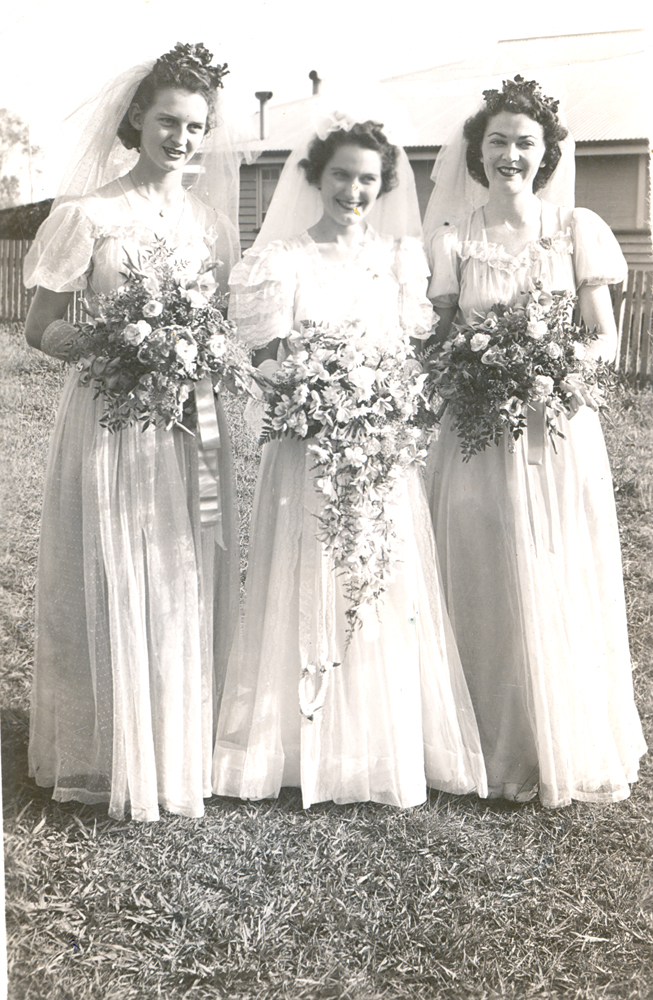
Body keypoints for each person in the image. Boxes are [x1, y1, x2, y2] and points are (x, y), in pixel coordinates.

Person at [211, 110, 487, 809]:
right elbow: (264, 362)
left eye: (367, 179)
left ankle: (377, 740)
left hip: (378, 446)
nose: (354, 190)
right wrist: (310, 384)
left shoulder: (400, 259)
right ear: (315, 177)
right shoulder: (280, 261)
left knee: (380, 581)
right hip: (308, 447)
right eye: (341, 175)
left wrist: (382, 397)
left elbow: (412, 356)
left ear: (383, 183)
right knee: (304, 575)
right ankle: (298, 742)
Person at [23, 43, 243, 821]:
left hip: (198, 414)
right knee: (116, 562)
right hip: (113, 411)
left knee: (192, 558)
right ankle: (109, 744)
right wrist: (118, 348)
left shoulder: (213, 225)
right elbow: (39, 329)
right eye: (166, 122)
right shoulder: (87, 216)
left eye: (194, 126)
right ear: (136, 122)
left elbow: (221, 324)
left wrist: (198, 356)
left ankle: (179, 739)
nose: (180, 140)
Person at [422, 75, 646, 807]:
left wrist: (544, 368)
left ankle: (558, 731)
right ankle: (484, 737)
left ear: (546, 153)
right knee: (481, 566)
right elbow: (440, 344)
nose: (509, 155)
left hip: (553, 427)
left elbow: (602, 341)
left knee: (553, 564)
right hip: (475, 434)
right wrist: (474, 366)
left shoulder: (574, 229)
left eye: (524, 143)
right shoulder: (454, 239)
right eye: (496, 142)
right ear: (476, 151)